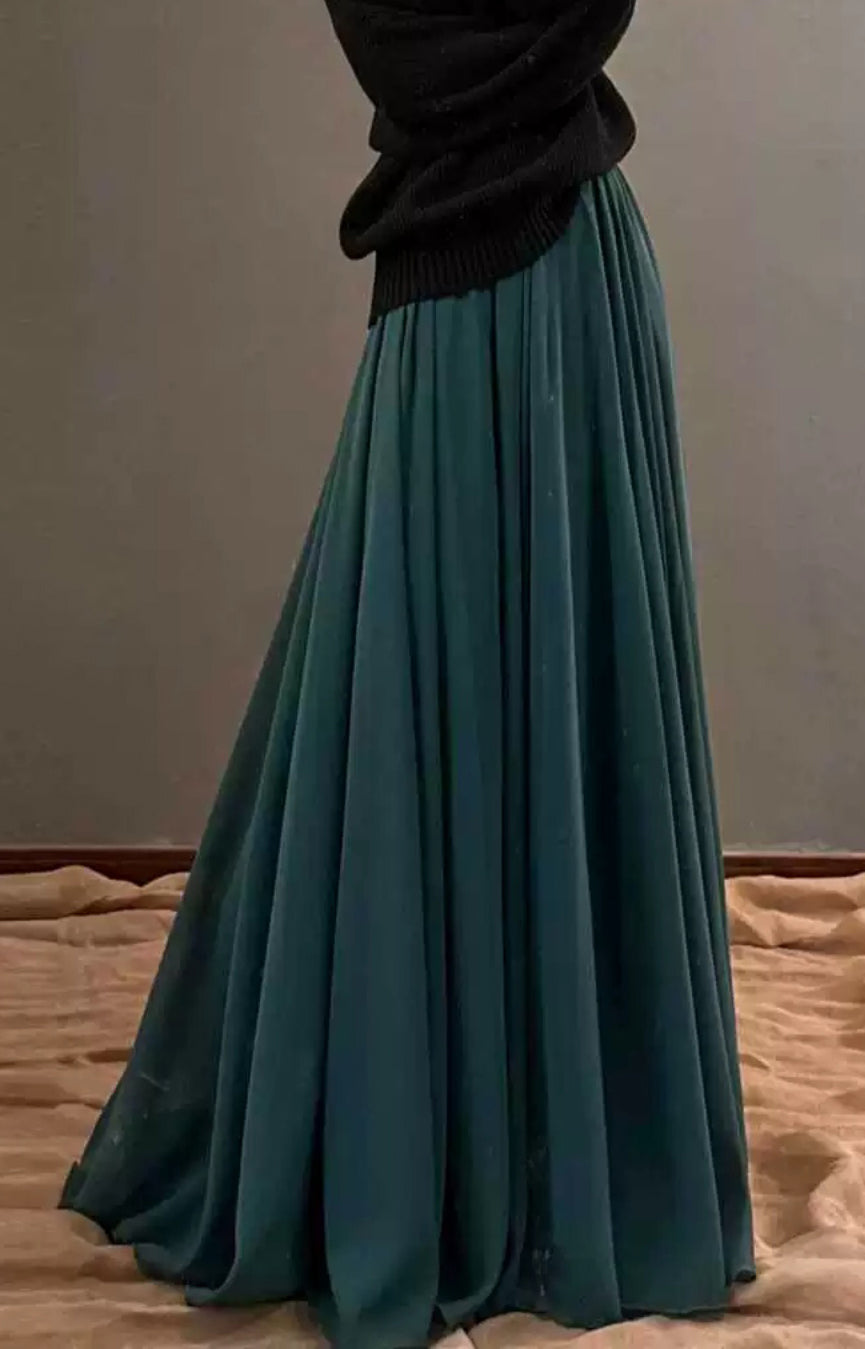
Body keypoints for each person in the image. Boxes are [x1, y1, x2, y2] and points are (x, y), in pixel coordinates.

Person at [60, 3, 755, 1347]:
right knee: (417, 707)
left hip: (561, 279)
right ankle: (462, 1145)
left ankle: (556, 1146)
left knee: (511, 706)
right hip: (486, 288)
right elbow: (423, 54)